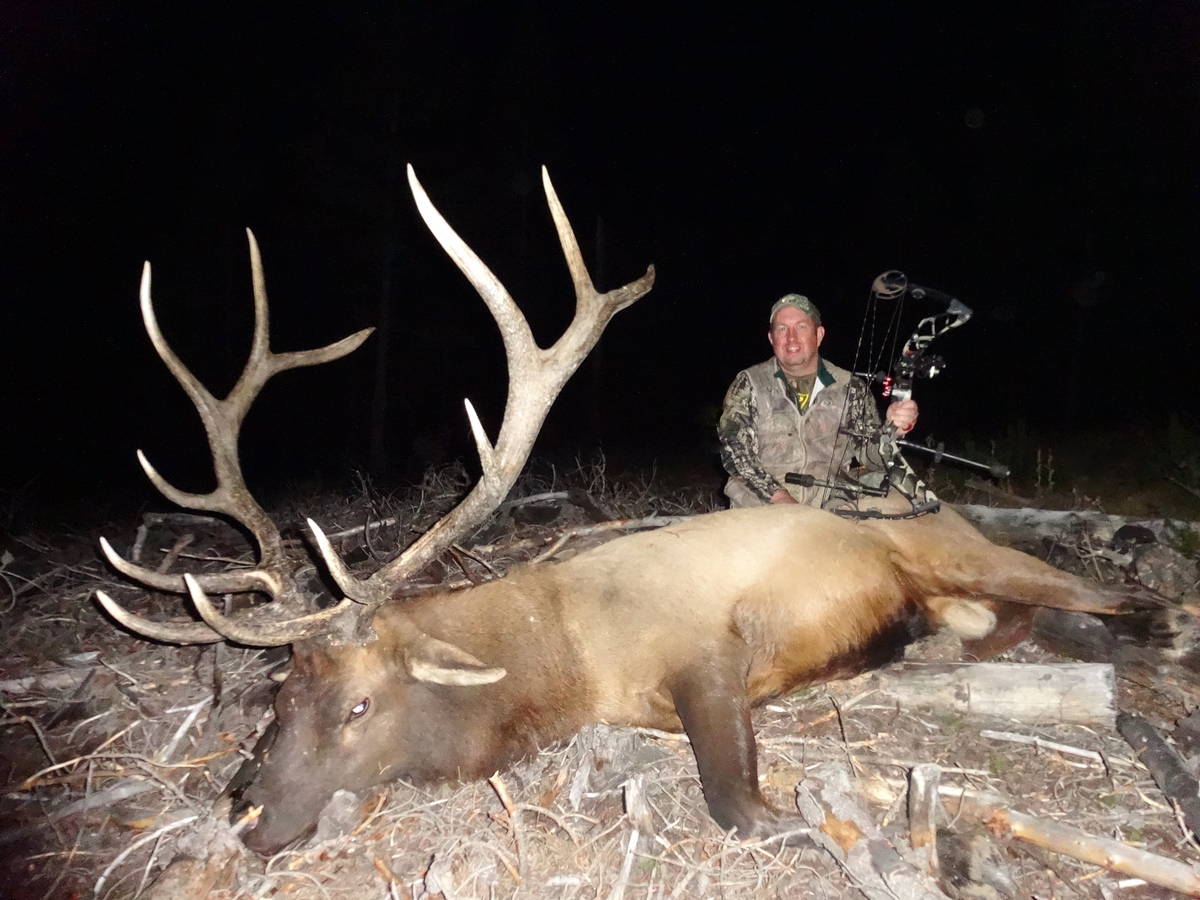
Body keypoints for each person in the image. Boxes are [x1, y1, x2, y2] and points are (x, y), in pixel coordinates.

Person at [718, 293, 919, 508]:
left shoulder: (850, 387)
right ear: (771, 338)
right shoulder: (749, 383)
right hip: (762, 506)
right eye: (782, 329)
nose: (791, 338)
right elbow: (736, 453)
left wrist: (893, 431)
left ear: (819, 334)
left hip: (830, 507)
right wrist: (780, 498)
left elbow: (872, 459)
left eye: (801, 327)